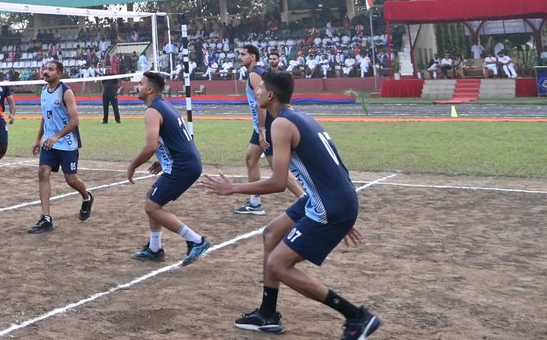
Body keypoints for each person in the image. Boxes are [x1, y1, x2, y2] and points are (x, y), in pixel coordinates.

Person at [200, 70, 381, 339]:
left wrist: (233, 188)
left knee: (278, 265)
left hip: (330, 202)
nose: (256, 91)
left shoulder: (281, 124)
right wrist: (342, 209)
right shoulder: (299, 117)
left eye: (260, 88)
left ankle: (357, 316)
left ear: (270, 95)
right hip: (331, 197)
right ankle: (267, 314)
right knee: (271, 233)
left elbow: (277, 182)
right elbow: (332, 168)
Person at [126, 71, 209, 264]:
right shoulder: (164, 105)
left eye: (140, 84)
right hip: (184, 162)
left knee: (152, 207)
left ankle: (196, 241)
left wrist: (132, 166)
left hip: (183, 166)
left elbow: (150, 146)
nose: (137, 87)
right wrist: (163, 160)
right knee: (151, 196)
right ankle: (155, 249)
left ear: (150, 89)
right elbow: (172, 138)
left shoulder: (153, 110)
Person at [234, 44, 304, 216]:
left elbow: (262, 102)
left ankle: (305, 199)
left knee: (276, 166)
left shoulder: (254, 74)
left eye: (243, 54)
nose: (240, 57)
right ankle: (255, 202)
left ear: (253, 57)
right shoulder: (260, 72)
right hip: (264, 124)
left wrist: (262, 129)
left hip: (267, 124)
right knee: (251, 158)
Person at [28, 59, 94, 233]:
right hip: (49, 142)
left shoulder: (66, 92)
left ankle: (86, 197)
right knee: (43, 172)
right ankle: (46, 218)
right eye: (45, 68)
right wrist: (38, 139)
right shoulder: (44, 91)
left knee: (71, 179)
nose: (46, 72)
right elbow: (45, 116)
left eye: (50, 69)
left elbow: (75, 120)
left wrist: (57, 136)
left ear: (59, 73)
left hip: (67, 143)